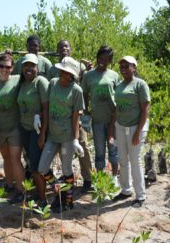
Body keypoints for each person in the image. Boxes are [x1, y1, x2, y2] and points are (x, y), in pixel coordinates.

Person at [35, 57, 85, 212]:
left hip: (67, 137)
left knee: (66, 169)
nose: (62, 73)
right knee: (42, 168)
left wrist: (76, 139)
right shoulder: (53, 83)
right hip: (52, 135)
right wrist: (42, 132)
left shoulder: (76, 90)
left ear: (71, 75)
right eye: (62, 71)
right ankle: (61, 190)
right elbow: (47, 108)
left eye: (66, 72)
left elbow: (76, 117)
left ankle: (68, 201)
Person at [47, 39, 93, 192]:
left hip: (76, 115)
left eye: (66, 46)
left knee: (82, 146)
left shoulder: (78, 65)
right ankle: (67, 181)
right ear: (57, 50)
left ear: (71, 49)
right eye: (60, 47)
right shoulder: (53, 69)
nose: (63, 48)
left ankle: (88, 179)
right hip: (59, 120)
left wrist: (88, 69)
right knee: (64, 152)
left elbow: (86, 84)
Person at [109, 56, 150, 208]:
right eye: (122, 67)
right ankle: (125, 190)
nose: (124, 69)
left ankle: (140, 195)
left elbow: (145, 109)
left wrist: (138, 132)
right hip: (121, 126)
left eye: (127, 66)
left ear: (134, 67)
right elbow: (116, 110)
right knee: (122, 160)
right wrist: (112, 130)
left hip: (136, 127)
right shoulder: (119, 86)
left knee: (135, 160)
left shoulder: (140, 84)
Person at [0, 53, 25, 203]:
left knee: (15, 158)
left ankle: (20, 190)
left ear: (12, 68)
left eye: (8, 67)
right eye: (1, 66)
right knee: (6, 158)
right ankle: (9, 185)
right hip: (1, 129)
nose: (4, 69)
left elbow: (32, 73)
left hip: (16, 127)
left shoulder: (18, 80)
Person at [82, 46, 120, 180]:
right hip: (97, 120)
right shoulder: (89, 75)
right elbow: (84, 94)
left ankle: (114, 178)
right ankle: (100, 180)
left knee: (113, 150)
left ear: (110, 60)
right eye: (101, 57)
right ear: (98, 57)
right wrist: (86, 112)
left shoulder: (114, 75)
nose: (103, 60)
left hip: (112, 119)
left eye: (107, 58)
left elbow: (119, 95)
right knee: (99, 152)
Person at [17, 53, 49, 202]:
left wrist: (42, 133)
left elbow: (47, 108)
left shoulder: (40, 82)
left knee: (36, 165)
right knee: (30, 162)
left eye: (32, 66)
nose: (28, 68)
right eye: (26, 65)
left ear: (37, 67)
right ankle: (39, 191)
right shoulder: (22, 84)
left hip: (37, 130)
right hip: (25, 129)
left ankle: (43, 199)